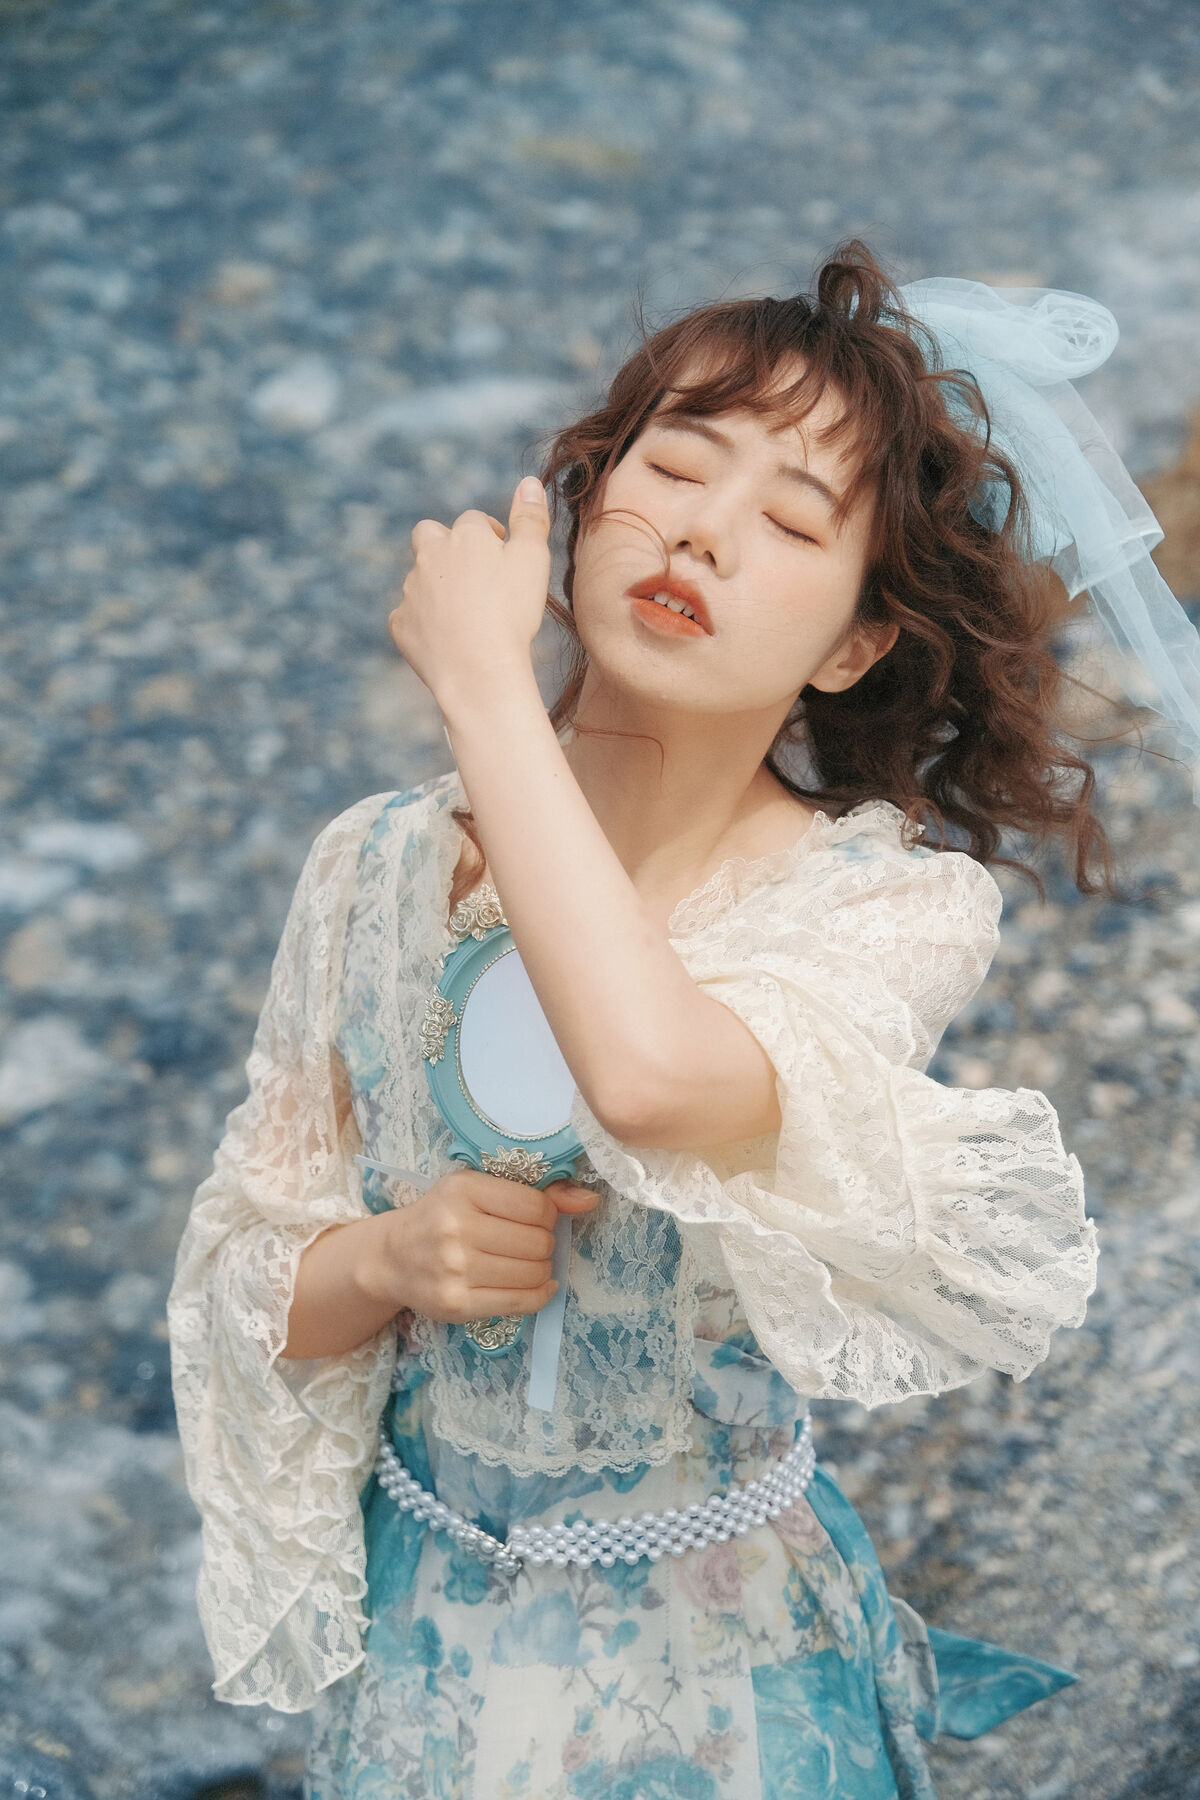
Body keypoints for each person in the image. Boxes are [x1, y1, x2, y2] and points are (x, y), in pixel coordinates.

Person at [167, 239, 1193, 1799]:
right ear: (582, 505)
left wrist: (488, 694)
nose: (705, 531)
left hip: (722, 1687)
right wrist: (384, 1261)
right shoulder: (373, 866)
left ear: (852, 645)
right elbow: (240, 1283)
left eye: (791, 521)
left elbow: (649, 1078)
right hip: (425, 1670)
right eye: (678, 466)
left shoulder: (880, 906)